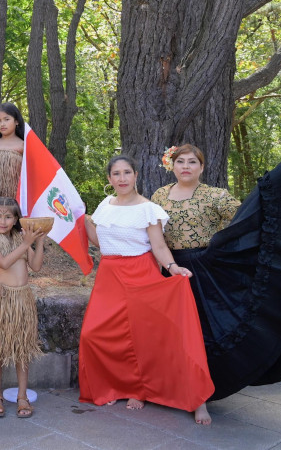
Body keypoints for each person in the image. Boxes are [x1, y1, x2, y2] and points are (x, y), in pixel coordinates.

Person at [150, 145, 281, 400]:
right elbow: (153, 235)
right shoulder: (160, 195)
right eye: (181, 162)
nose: (186, 167)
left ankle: (200, 392)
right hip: (172, 269)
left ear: (201, 167)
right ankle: (173, 387)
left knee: (203, 331)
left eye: (192, 162)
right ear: (172, 166)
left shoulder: (215, 196)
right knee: (173, 331)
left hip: (205, 270)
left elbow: (249, 219)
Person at [79, 155, 214, 425]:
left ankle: (144, 391)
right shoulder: (105, 205)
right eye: (116, 174)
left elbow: (159, 247)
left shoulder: (148, 209)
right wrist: (84, 221)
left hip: (140, 274)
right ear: (109, 179)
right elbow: (100, 242)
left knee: (145, 338)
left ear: (136, 175)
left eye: (126, 172)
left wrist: (173, 267)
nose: (121, 178)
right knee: (93, 334)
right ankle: (117, 385)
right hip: (109, 276)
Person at [0, 197, 44, 419]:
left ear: (16, 219)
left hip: (21, 300)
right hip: (0, 300)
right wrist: (26, 244)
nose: (3, 221)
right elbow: (4, 263)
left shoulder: (20, 239)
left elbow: (35, 266)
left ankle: (22, 396)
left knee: (21, 350)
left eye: (8, 216)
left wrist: (39, 241)